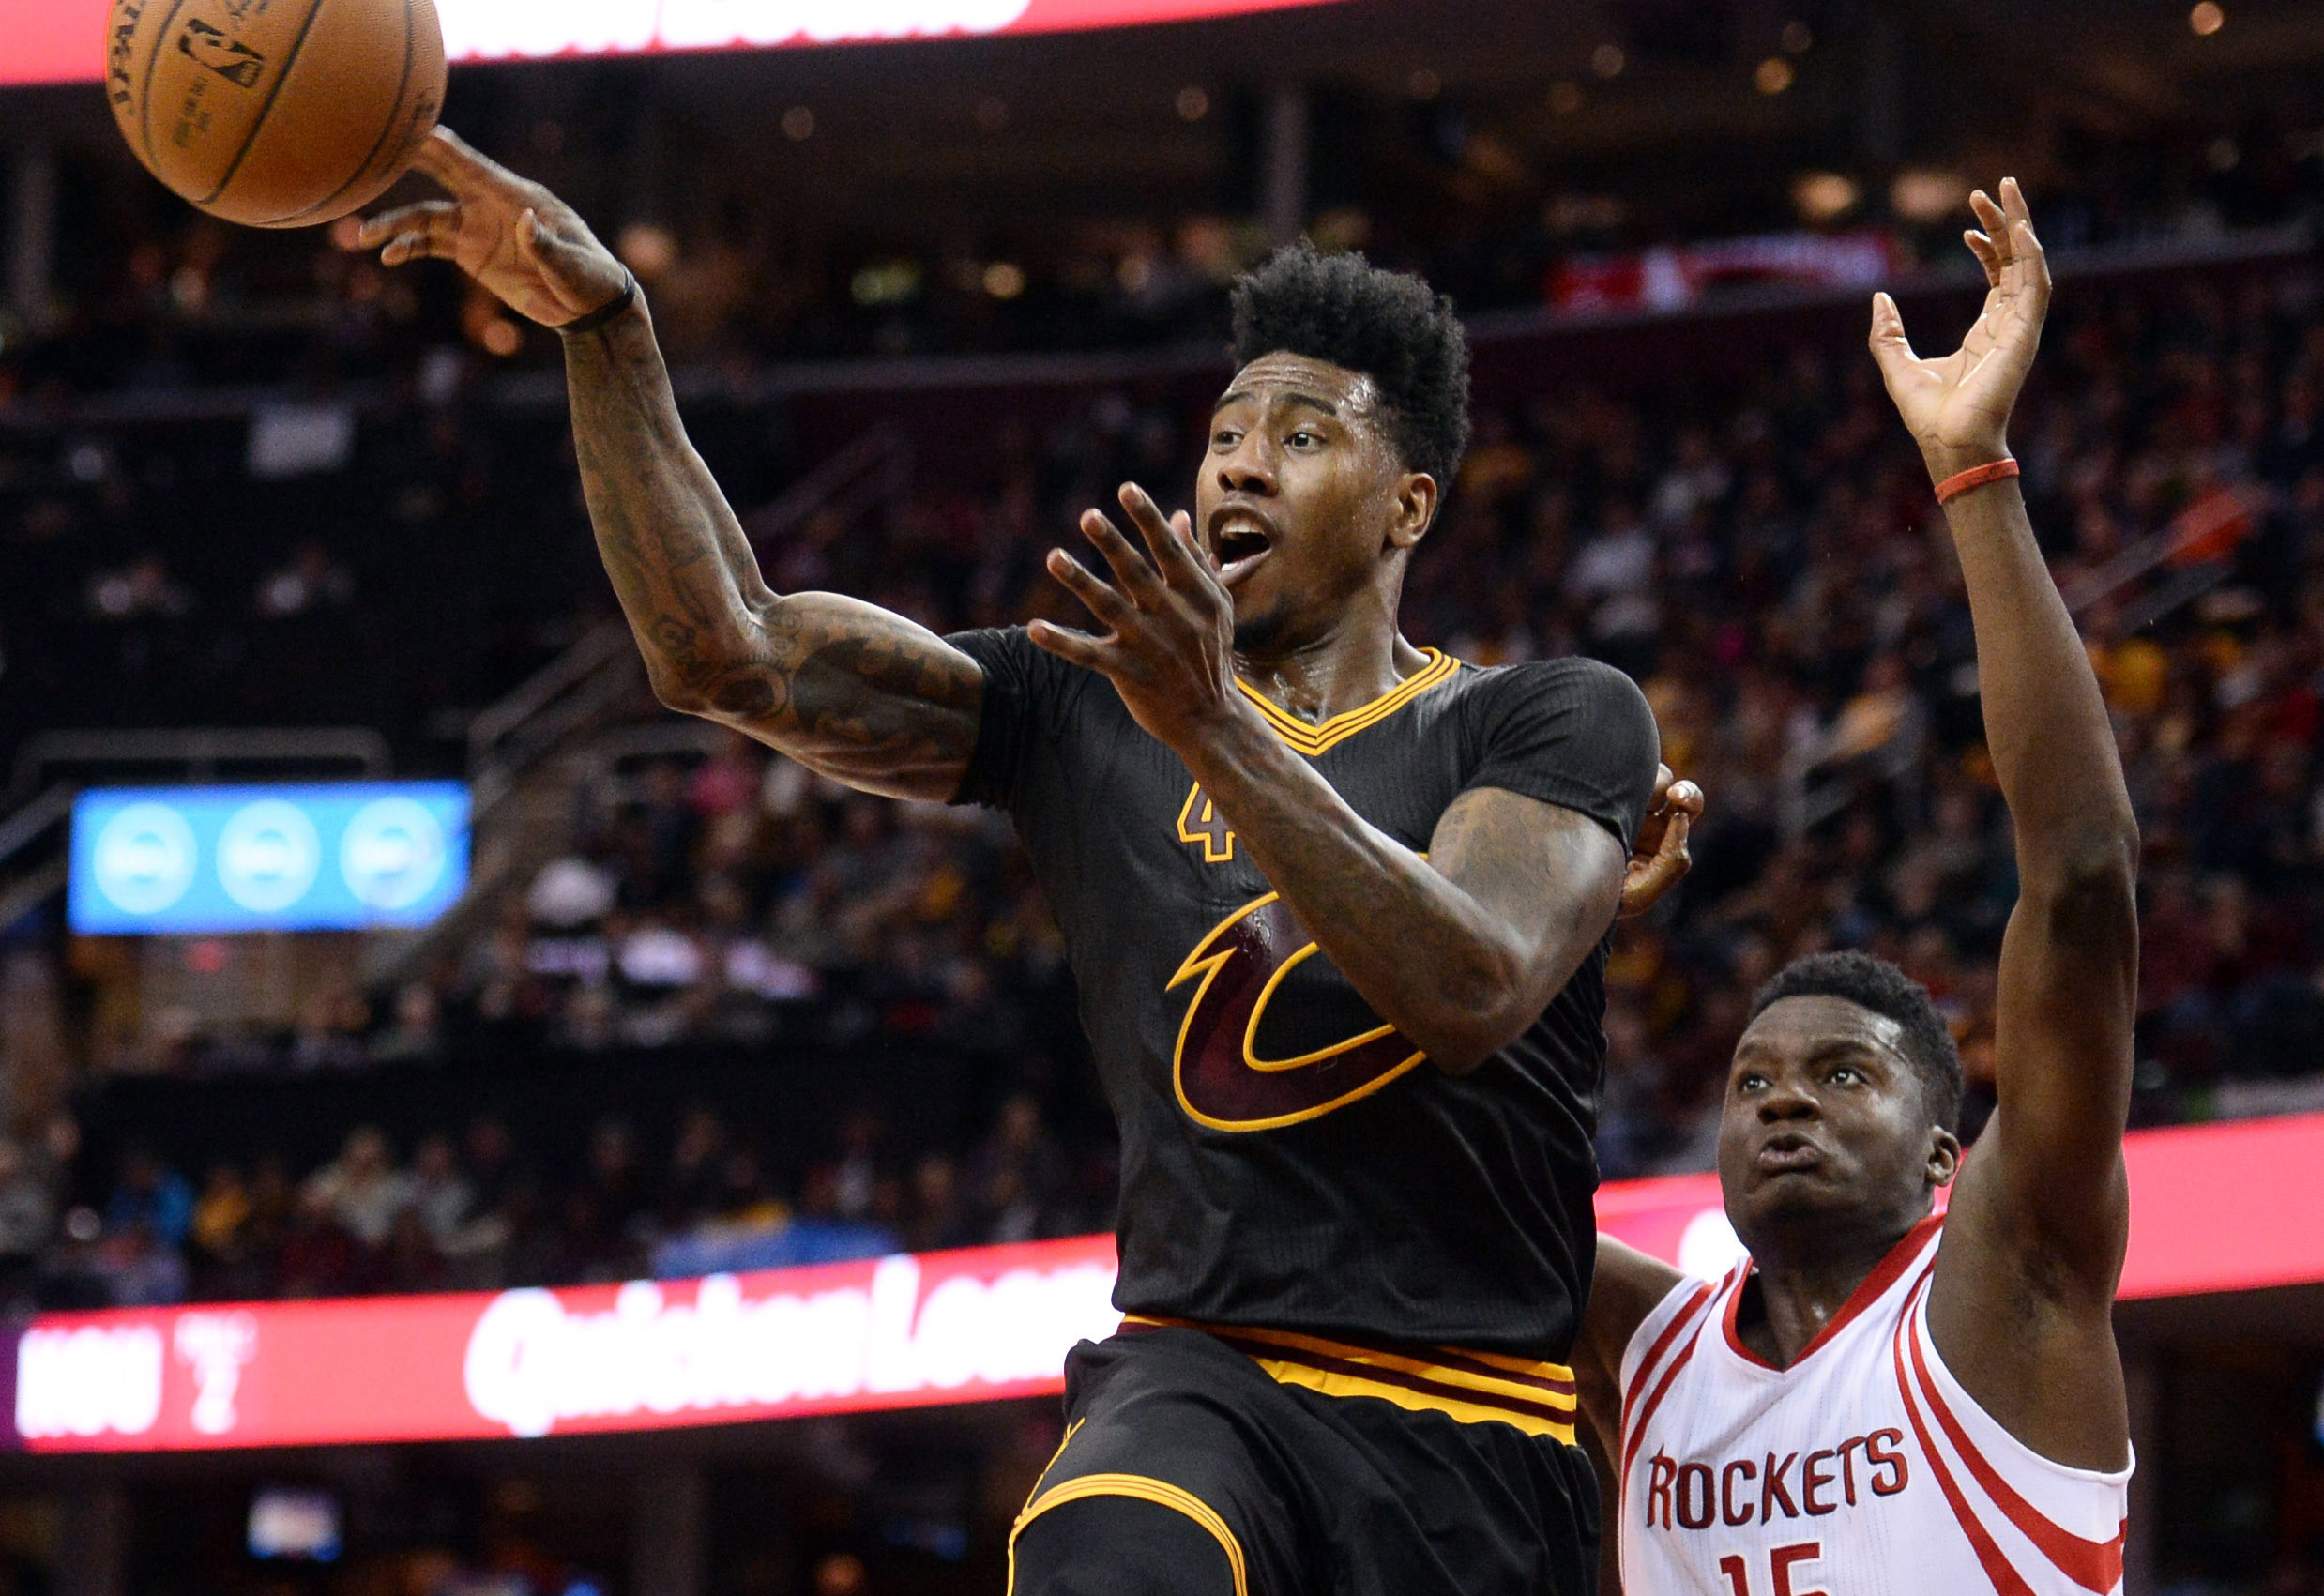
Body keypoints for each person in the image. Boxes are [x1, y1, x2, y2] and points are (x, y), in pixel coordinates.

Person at [361, 128, 1698, 1596]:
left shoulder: (1546, 715)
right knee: (1102, 1546)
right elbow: (725, 650)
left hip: (1479, 1435)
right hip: (1202, 1379)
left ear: (1409, 506)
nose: (1241, 462)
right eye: (1225, 435)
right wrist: (607, 333)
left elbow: (1472, 976)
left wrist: (1205, 727)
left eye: (1302, 437)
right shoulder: (1081, 701)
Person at [1572, 182, 2141, 1595]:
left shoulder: (2008, 1276)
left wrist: (1971, 473)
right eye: (1755, 1077)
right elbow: (1421, 1156)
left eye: (1838, 1075)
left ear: (1947, 1160)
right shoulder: (1644, 1347)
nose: (1778, 1098)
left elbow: (2076, 879)